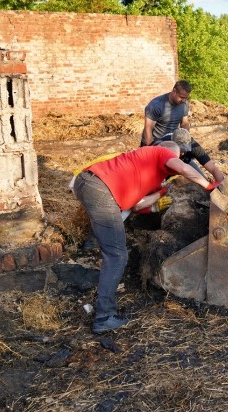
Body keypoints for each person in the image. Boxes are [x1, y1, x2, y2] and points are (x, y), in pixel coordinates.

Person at [72, 140, 219, 334]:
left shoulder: (148, 171)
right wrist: (209, 186)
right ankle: (104, 317)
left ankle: (105, 313)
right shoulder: (161, 152)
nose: (174, 166)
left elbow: (137, 206)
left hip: (91, 185)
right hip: (99, 188)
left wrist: (162, 192)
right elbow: (182, 168)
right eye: (175, 160)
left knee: (114, 253)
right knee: (117, 256)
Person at [142, 80, 192, 147]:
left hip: (173, 140)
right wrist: (152, 149)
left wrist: (186, 142)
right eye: (181, 97)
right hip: (156, 142)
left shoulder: (184, 104)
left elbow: (184, 123)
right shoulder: (156, 105)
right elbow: (148, 129)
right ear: (174, 91)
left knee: (196, 149)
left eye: (186, 98)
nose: (184, 100)